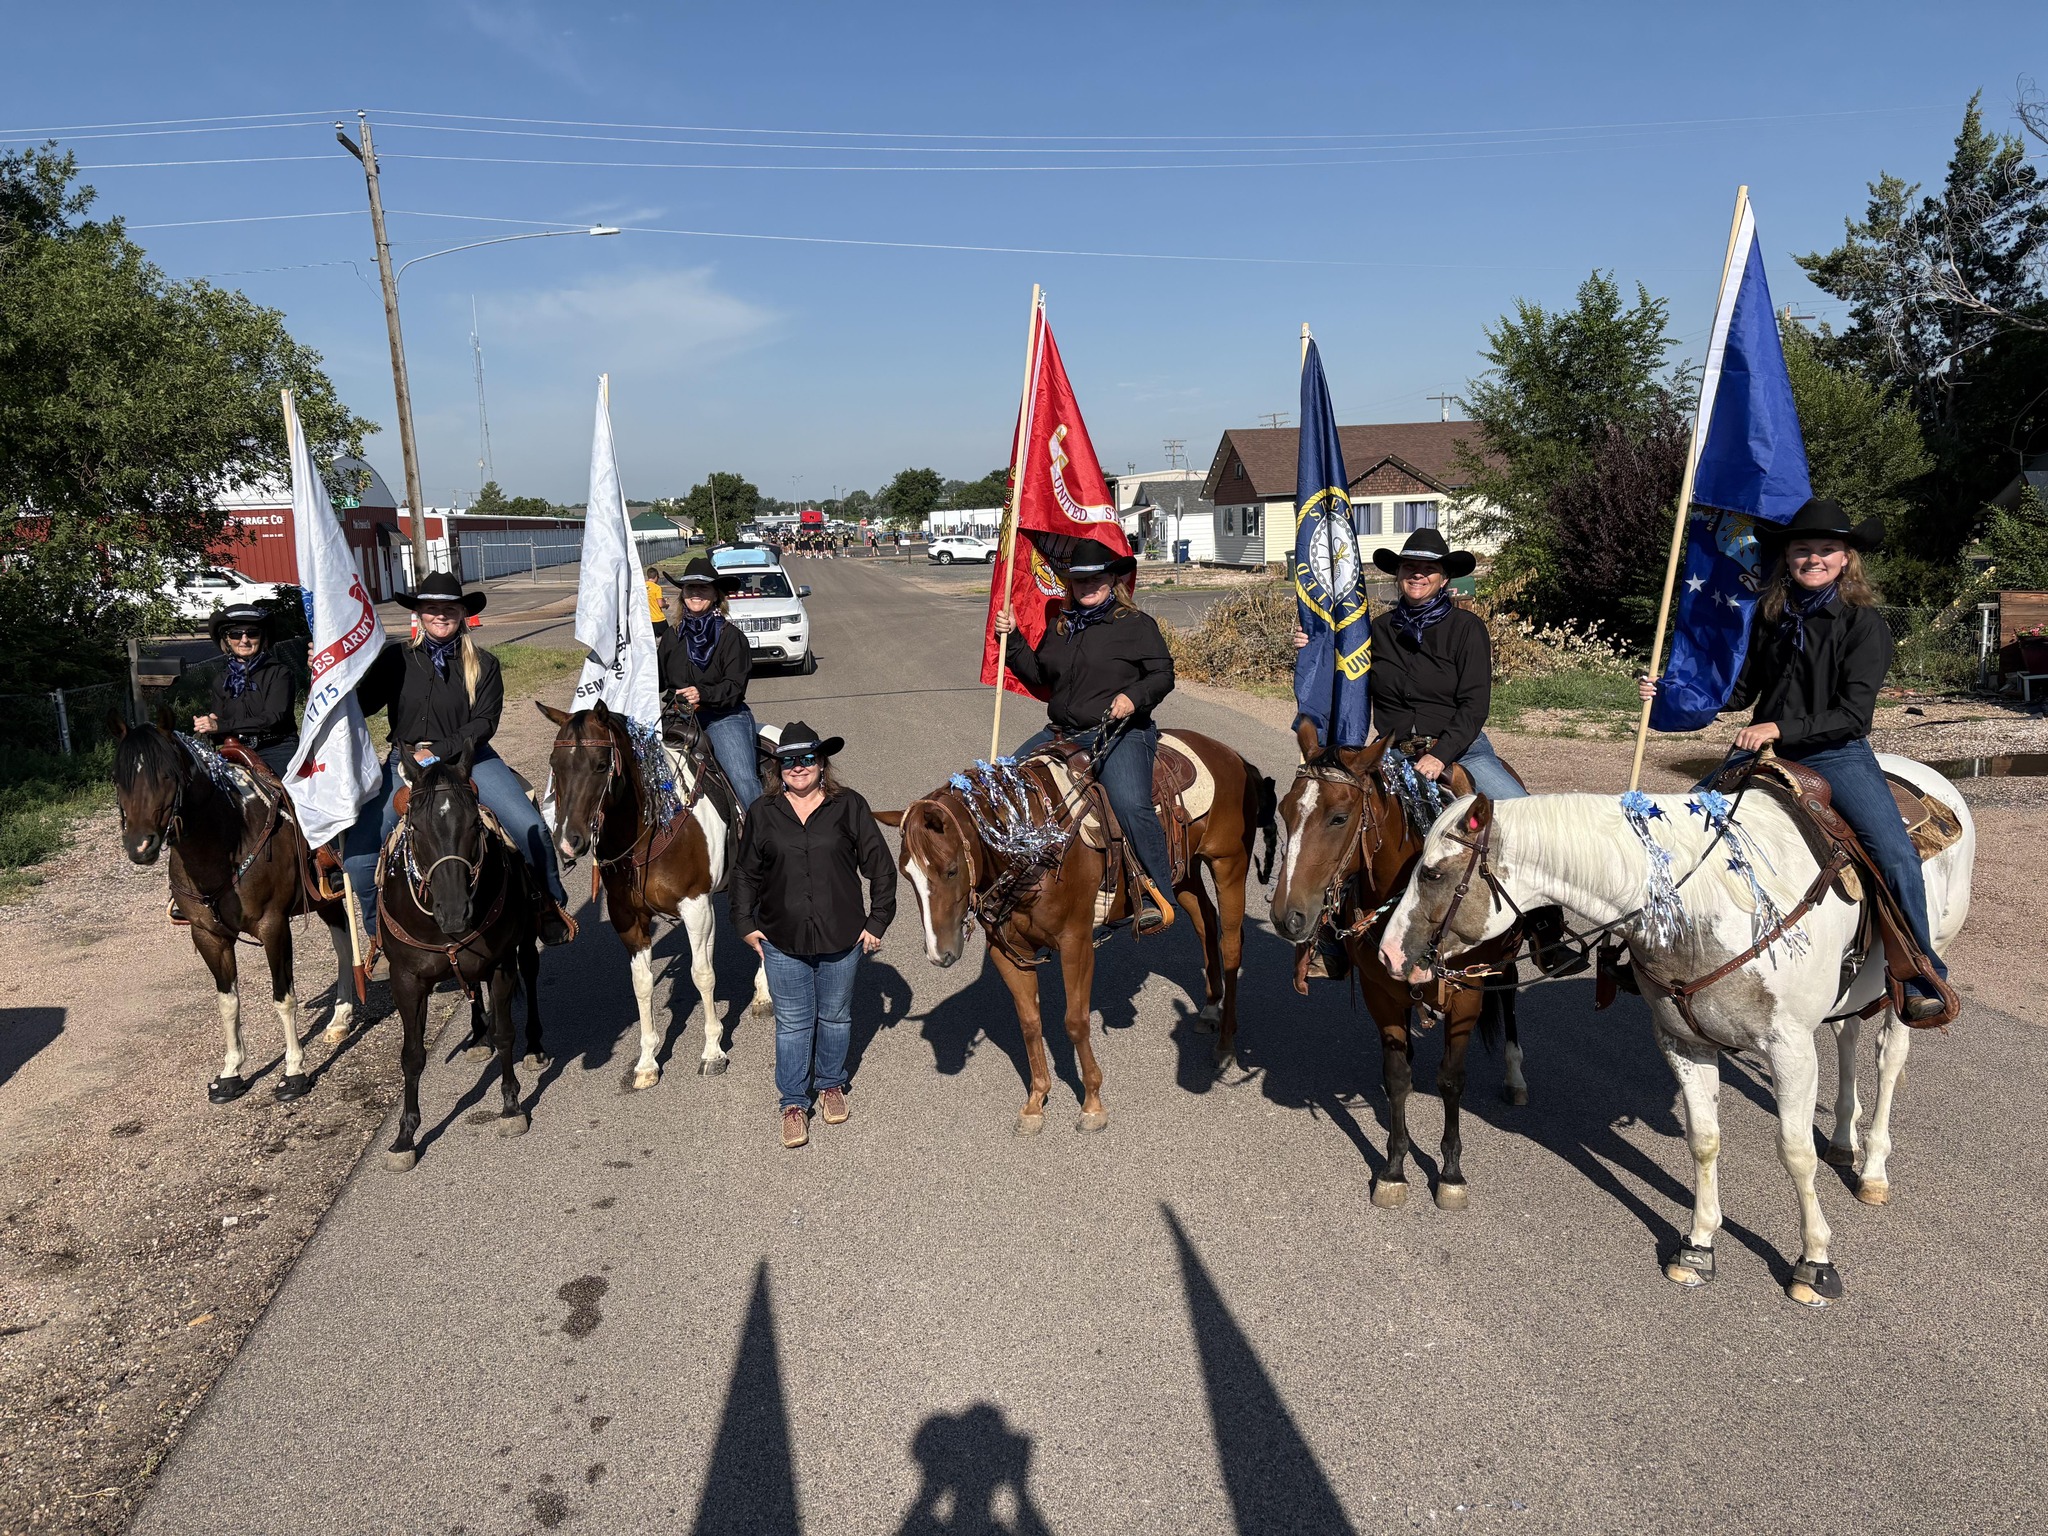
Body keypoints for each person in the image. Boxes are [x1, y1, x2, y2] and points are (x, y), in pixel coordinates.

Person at [1640, 497, 1950, 1022]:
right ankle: (1663, 945)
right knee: (1681, 824)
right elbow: (1741, 689)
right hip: (1766, 751)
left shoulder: (1864, 625)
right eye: (1802, 549)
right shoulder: (1773, 614)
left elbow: (1855, 715)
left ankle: (1921, 969)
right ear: (1786, 557)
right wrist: (1672, 691)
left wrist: (1779, 726)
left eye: (1826, 550)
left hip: (1836, 754)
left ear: (1847, 558)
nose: (1814, 558)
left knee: (1894, 853)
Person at [341, 571, 573, 947]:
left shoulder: (484, 663)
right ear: (419, 613)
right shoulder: (396, 659)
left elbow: (484, 722)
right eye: (431, 608)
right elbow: (361, 705)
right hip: (407, 765)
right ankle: (378, 934)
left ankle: (548, 906)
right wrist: (327, 674)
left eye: (449, 608)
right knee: (359, 859)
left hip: (472, 759)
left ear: (462, 612)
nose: (440, 615)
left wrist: (438, 751)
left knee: (531, 829)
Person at [993, 536, 1178, 934]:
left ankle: (1155, 891)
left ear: (1113, 580)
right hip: (1063, 732)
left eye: (1096, 579)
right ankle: (1014, 881)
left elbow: (1163, 675)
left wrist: (1134, 696)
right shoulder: (1061, 626)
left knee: (1129, 803)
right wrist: (1013, 640)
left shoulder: (1135, 625)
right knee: (1002, 781)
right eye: (1080, 581)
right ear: (1070, 584)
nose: (1088, 586)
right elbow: (1041, 677)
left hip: (1120, 732)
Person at [732, 722, 897, 1149]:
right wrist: (745, 924)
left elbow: (880, 866)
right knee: (792, 1023)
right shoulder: (762, 812)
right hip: (781, 938)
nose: (799, 767)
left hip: (842, 937)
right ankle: (792, 1102)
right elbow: (746, 873)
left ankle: (830, 1084)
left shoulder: (850, 807)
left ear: (822, 763)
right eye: (789, 761)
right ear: (778, 769)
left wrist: (877, 922)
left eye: (807, 758)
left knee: (836, 1016)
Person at [1292, 528, 1523, 802]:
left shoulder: (1467, 628)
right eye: (1410, 567)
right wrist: (1313, 643)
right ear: (1399, 574)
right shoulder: (1376, 630)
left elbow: (1474, 705)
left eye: (1429, 569)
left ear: (1444, 578)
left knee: (1525, 817)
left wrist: (1440, 755)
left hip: (1461, 750)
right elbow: (1343, 669)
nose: (1418, 574)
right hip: (1393, 753)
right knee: (1333, 807)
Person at [657, 558, 764, 808]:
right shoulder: (672, 637)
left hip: (723, 716)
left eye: (702, 588)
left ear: (716, 595)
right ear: (682, 595)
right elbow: (657, 678)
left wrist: (701, 693)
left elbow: (735, 688)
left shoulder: (732, 637)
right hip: (677, 716)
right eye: (689, 588)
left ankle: (760, 839)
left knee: (742, 780)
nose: (695, 593)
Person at [194, 603, 300, 779]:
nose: (244, 640)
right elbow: (220, 721)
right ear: (227, 640)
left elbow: (273, 718)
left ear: (263, 638)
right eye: (236, 634)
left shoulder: (280, 673)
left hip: (277, 749)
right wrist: (208, 727)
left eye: (252, 633)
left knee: (292, 796)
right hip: (235, 748)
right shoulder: (221, 680)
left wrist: (221, 725)